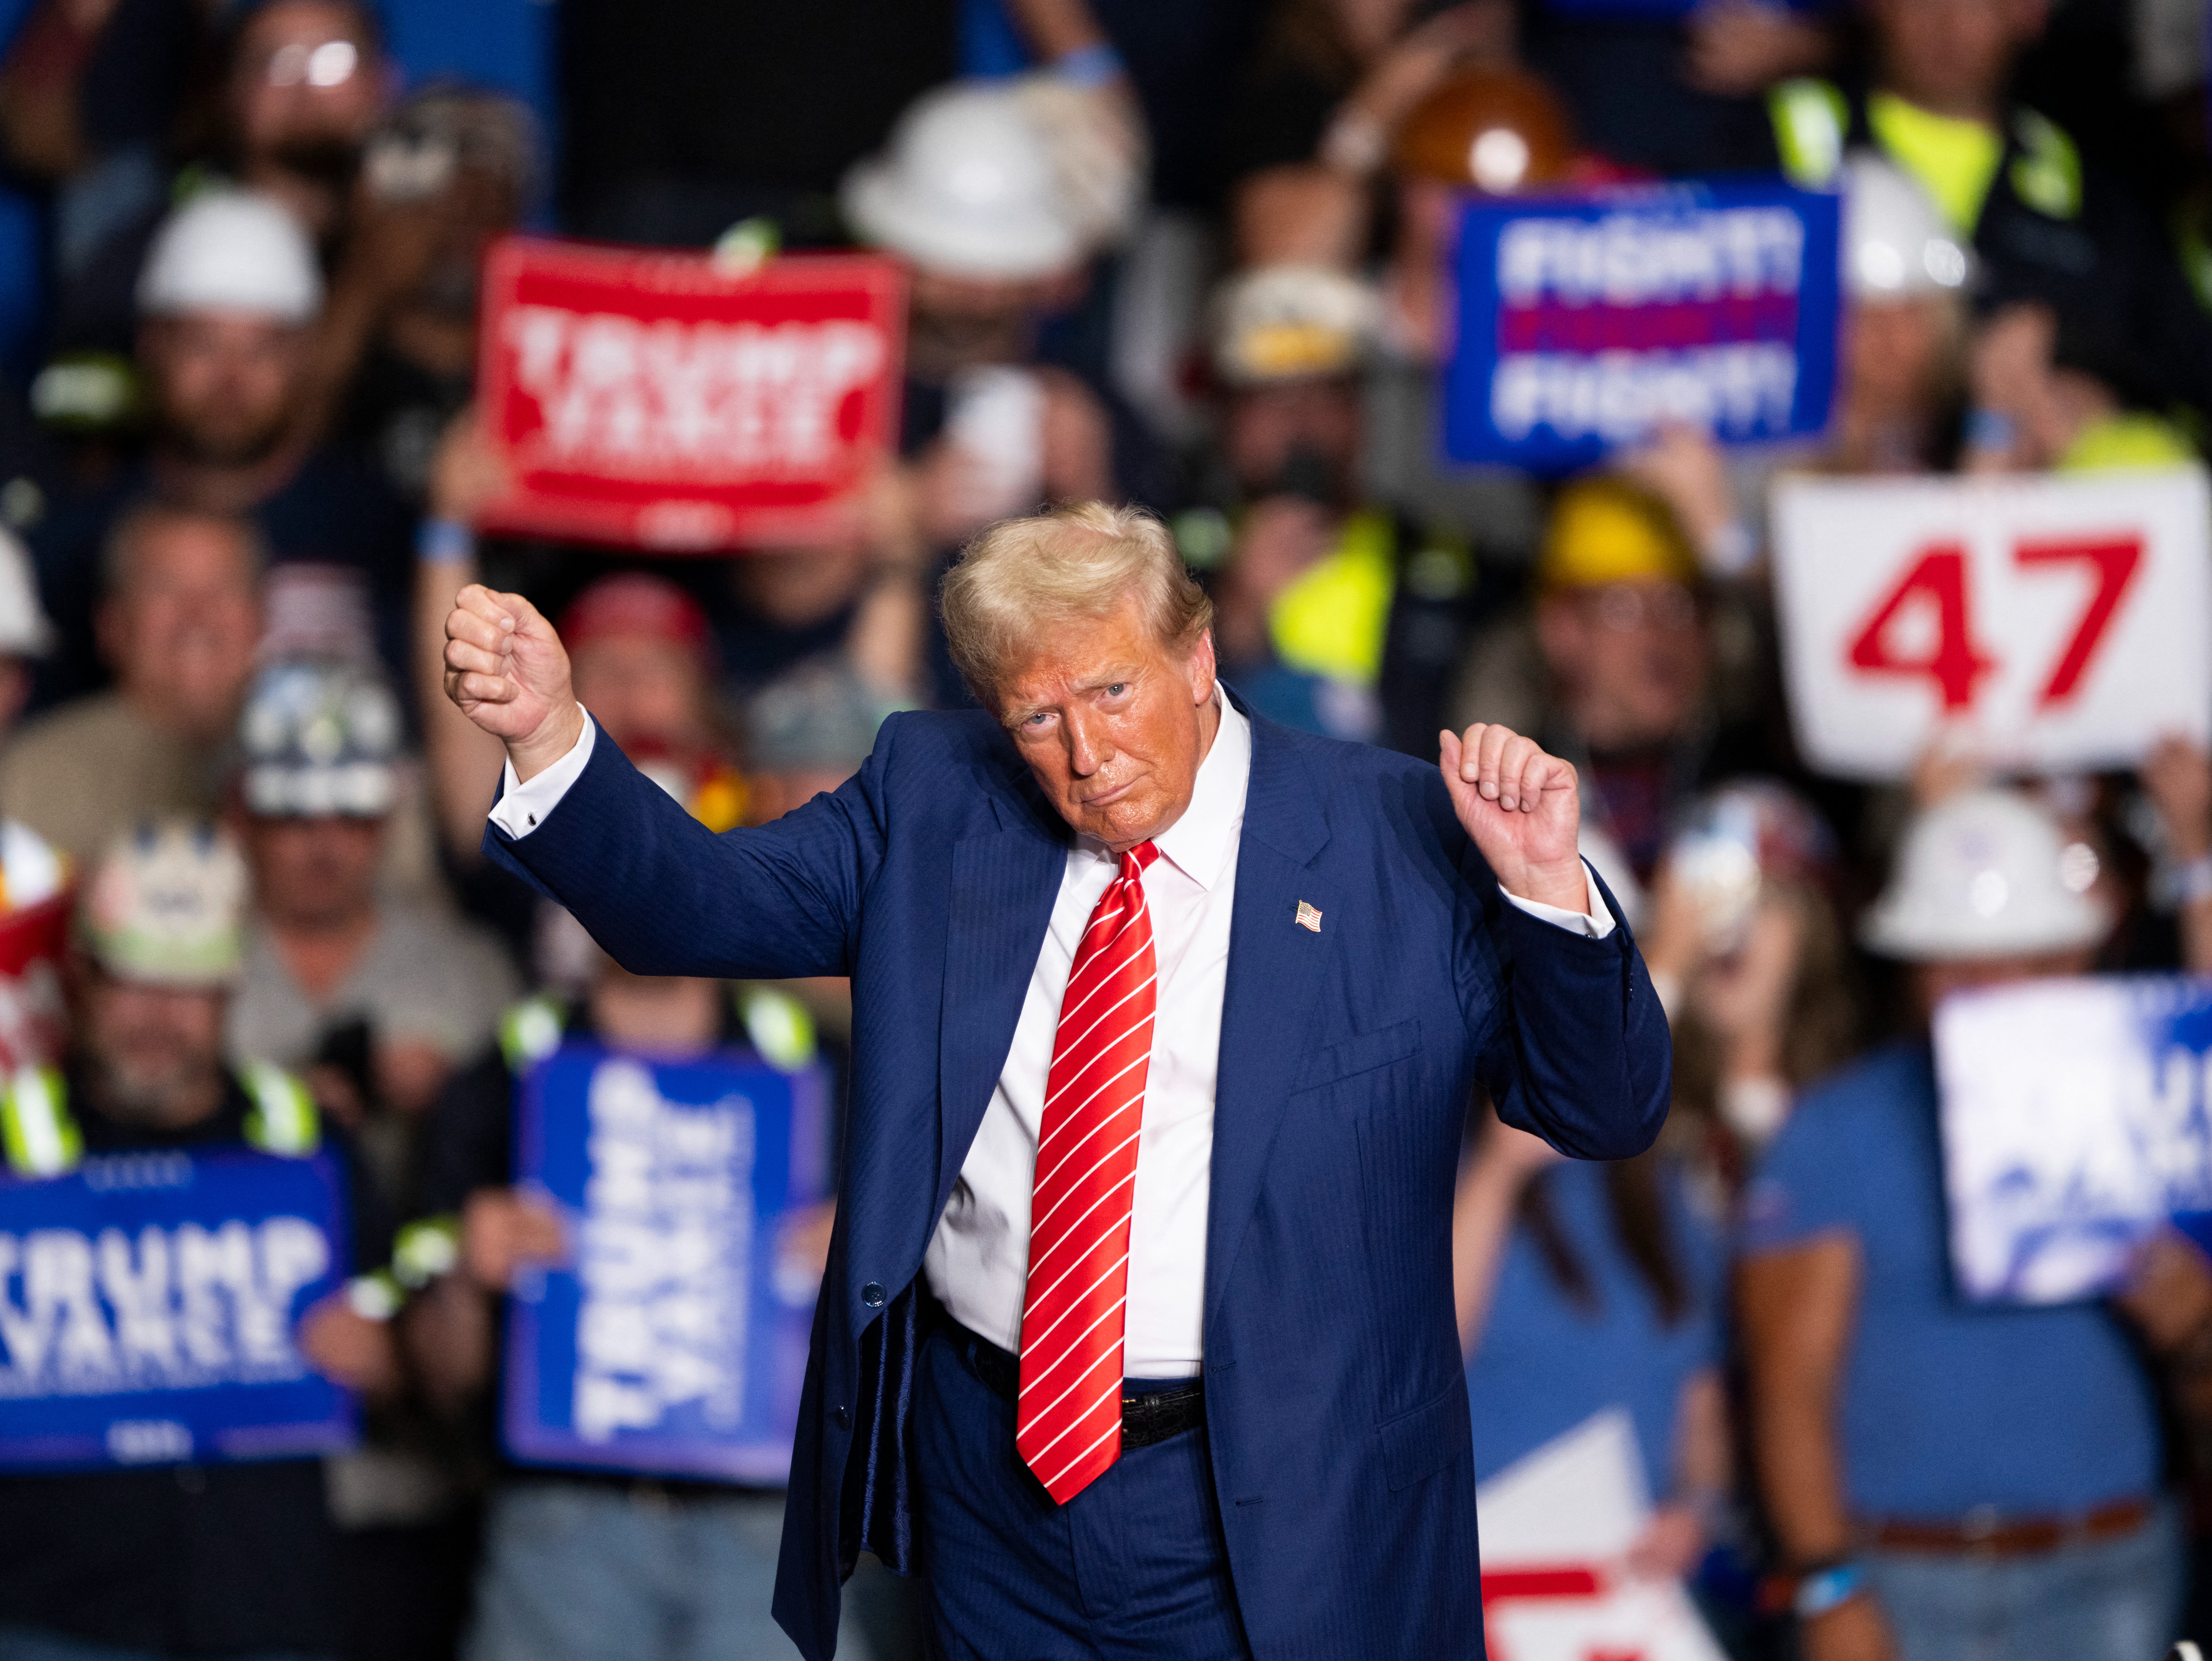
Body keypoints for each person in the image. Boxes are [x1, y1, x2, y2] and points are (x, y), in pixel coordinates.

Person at [440, 500, 1671, 1658]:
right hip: (993, 1482)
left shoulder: (1393, 835)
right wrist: (553, 737)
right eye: (1036, 719)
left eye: (1112, 691)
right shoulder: (932, 800)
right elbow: (690, 909)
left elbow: (1598, 1109)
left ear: (1196, 659)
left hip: (1287, 1491)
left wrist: (1547, 893)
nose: (1085, 754)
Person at [1739, 788, 2200, 1661]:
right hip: (1907, 1580)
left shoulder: (2149, 1108)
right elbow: (1789, 1382)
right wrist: (1829, 1583)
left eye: (2014, 960)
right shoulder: (1835, 1132)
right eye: (1950, 961)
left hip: (2111, 1567)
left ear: (2073, 956)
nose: (1983, 989)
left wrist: (2192, 1327)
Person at [0, 820, 398, 1661]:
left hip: (266, 1607)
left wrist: (383, 1352)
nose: (159, 1016)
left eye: (189, 987)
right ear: (82, 982)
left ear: (231, 990)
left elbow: (407, 1341)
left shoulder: (307, 1137)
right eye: (133, 982)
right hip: (54, 1613)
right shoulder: (10, 1139)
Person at [34, 188, 415, 703]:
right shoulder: (77, 541)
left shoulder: (377, 528)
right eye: (204, 344)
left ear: (304, 355)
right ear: (152, 346)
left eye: (262, 349)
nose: (231, 379)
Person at [1761, 0, 2212, 426]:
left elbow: (2188, 378)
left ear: (2028, 9)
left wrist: (2092, 374)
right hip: (1817, 489)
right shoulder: (1771, 150)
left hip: (2032, 496)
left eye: (1976, 1)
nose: (1946, 21)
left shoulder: (2093, 203)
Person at [1199, 262, 1494, 755]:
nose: (1300, 421)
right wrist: (1232, 619)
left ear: (1361, 411)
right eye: (1272, 397)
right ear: (1227, 413)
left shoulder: (1442, 560)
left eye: (1325, 392)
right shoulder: (1159, 558)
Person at [226, 656, 517, 1152]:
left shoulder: (468, 968)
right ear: (240, 815)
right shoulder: (187, 973)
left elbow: (527, 1146)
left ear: (387, 815)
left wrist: (456, 1098)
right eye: (293, 813)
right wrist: (270, 1110)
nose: (324, 845)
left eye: (352, 812)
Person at [1450, 1110, 1729, 1586]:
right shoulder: (1444, 1171)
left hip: (1630, 1577)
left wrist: (1696, 1510)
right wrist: (1497, 1170)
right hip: (1486, 1568)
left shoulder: (1661, 1189)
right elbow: (1425, 1356)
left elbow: (1699, 1397)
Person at [1447, 476, 1764, 880]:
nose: (1659, 635)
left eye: (1679, 605)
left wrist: (1727, 542)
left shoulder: (1754, 770)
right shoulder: (1509, 792)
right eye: (1624, 607)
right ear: (1562, 627)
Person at [0, 503, 262, 865]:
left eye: (223, 588)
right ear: (111, 624)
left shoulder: (323, 755)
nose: (198, 614)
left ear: (262, 618)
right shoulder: (26, 778)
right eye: (165, 588)